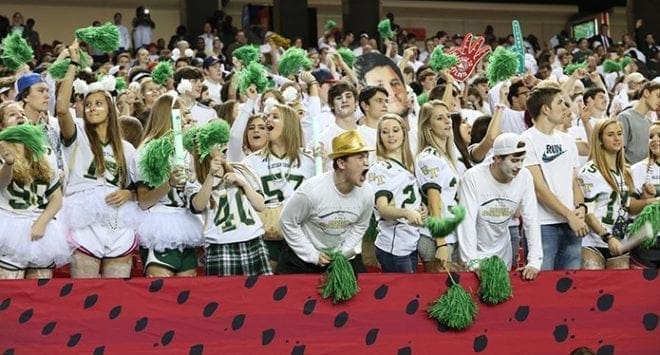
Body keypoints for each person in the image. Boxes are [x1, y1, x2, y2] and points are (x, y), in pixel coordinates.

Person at [55, 40, 140, 278]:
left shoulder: (127, 148)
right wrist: (73, 63)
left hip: (118, 218)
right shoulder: (77, 133)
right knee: (84, 293)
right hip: (84, 219)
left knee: (116, 295)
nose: (92, 108)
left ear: (110, 109)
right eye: (88, 104)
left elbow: (140, 189)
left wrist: (129, 193)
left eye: (99, 104)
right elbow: (62, 109)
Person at [278, 130, 374, 274]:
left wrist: (342, 254)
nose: (367, 163)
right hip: (303, 260)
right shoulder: (311, 191)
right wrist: (312, 255)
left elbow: (360, 225)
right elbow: (287, 221)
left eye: (367, 157)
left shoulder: (367, 193)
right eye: (360, 157)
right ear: (341, 163)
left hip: (341, 255)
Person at [132, 95, 202, 277]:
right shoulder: (147, 151)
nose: (189, 119)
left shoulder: (185, 152)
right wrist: (169, 183)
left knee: (188, 295)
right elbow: (144, 201)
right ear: (170, 116)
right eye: (184, 114)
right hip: (159, 225)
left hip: (185, 224)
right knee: (161, 294)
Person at [520, 86, 588, 271]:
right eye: (560, 102)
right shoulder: (526, 140)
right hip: (543, 225)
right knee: (543, 288)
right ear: (545, 109)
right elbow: (539, 189)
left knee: (569, 287)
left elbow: (574, 182)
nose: (566, 107)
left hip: (572, 224)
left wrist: (581, 208)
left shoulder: (567, 140)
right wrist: (569, 214)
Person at [189, 123, 271, 276]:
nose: (222, 145)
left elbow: (260, 205)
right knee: (224, 297)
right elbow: (198, 205)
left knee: (260, 296)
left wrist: (243, 183)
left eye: (223, 141)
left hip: (252, 240)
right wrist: (210, 176)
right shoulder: (195, 181)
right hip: (220, 244)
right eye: (216, 142)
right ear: (205, 149)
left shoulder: (242, 169)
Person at [457, 133, 542, 278]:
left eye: (522, 160)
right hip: (474, 250)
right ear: (497, 158)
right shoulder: (473, 177)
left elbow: (531, 218)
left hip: (503, 250)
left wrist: (534, 261)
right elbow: (466, 221)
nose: (519, 166)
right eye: (514, 161)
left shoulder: (525, 176)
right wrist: (471, 261)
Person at [0, 102, 69, 279]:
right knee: (9, 292)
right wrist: (8, 163)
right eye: (12, 115)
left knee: (41, 292)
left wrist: (41, 222)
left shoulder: (45, 151)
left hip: (41, 227)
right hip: (9, 224)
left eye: (22, 113)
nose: (20, 116)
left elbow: (56, 198)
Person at [243, 103, 315, 270]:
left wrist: (324, 161)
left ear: (289, 124)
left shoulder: (310, 161)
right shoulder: (251, 162)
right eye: (268, 116)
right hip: (268, 237)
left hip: (303, 236)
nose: (268, 119)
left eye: (275, 116)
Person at [578, 119, 645, 270]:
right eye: (610, 135)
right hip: (594, 242)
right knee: (592, 289)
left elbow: (626, 207)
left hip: (620, 242)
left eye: (619, 134)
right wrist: (607, 237)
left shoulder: (625, 171)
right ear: (600, 140)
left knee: (619, 292)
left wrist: (647, 199)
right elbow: (586, 211)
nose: (617, 138)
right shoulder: (589, 172)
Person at [368, 114, 425, 273]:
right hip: (394, 247)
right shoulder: (379, 169)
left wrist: (420, 210)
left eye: (395, 130)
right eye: (385, 132)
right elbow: (384, 209)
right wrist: (407, 212)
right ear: (379, 137)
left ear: (404, 133)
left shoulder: (409, 164)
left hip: (410, 241)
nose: (391, 135)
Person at [415, 100, 461, 272]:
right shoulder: (430, 157)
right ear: (428, 126)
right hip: (437, 238)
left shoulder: (444, 156)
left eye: (448, 116)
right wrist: (440, 242)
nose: (447, 121)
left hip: (450, 234)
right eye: (440, 118)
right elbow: (434, 202)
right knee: (441, 293)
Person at [626, 122, 660, 268]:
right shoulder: (637, 170)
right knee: (642, 289)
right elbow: (630, 207)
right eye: (651, 136)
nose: (655, 139)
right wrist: (648, 199)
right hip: (646, 243)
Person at [354, 53, 411, 119]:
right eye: (380, 86)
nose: (391, 91)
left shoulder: (413, 120)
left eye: (394, 83)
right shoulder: (361, 116)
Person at [617, 81, 659, 164]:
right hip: (629, 172)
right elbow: (619, 150)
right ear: (646, 93)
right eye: (658, 96)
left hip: (646, 173)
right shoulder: (625, 117)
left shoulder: (650, 123)